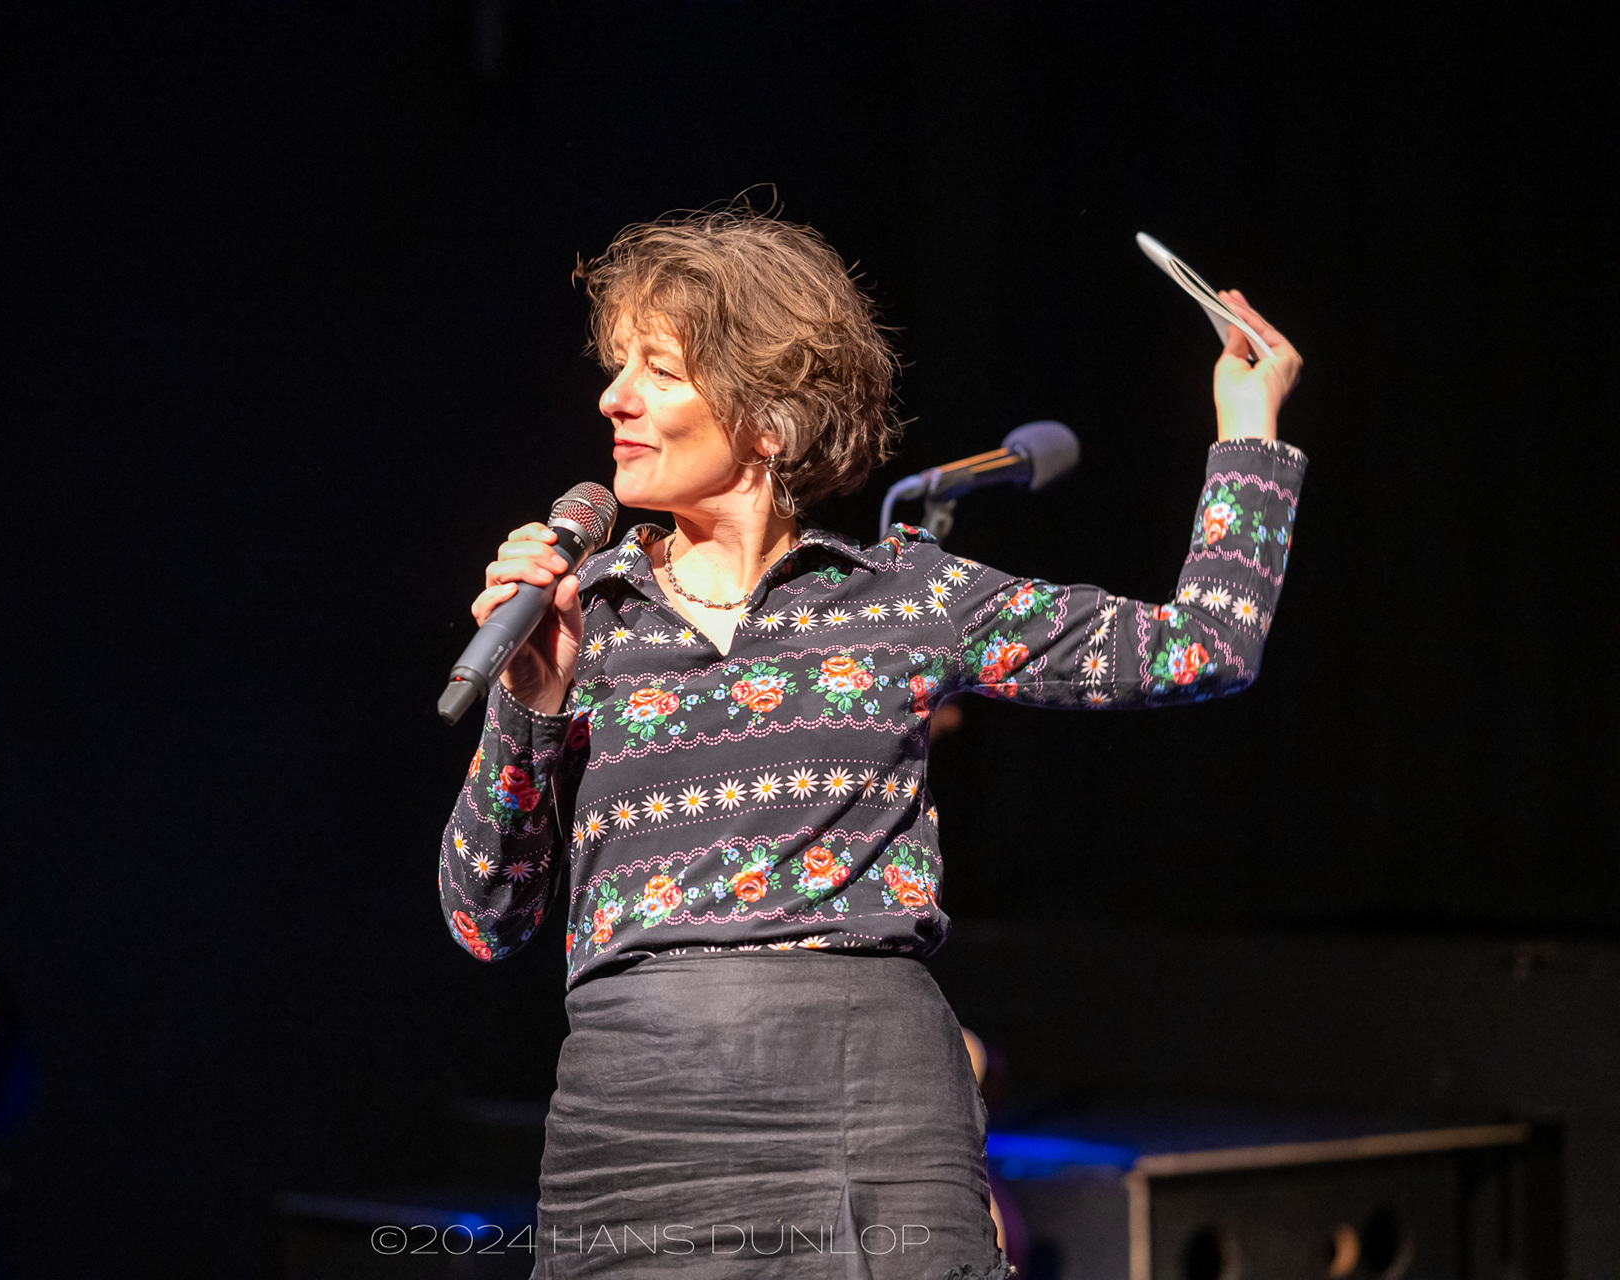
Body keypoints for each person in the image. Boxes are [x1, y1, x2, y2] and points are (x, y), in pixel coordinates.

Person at [438, 207, 1305, 1279]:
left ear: (769, 418)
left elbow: (1204, 645)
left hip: (870, 1109)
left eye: (657, 369)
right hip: (638, 1123)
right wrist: (527, 703)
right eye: (617, 367)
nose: (613, 397)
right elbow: (483, 917)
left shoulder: (903, 595)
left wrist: (1249, 430)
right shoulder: (588, 617)